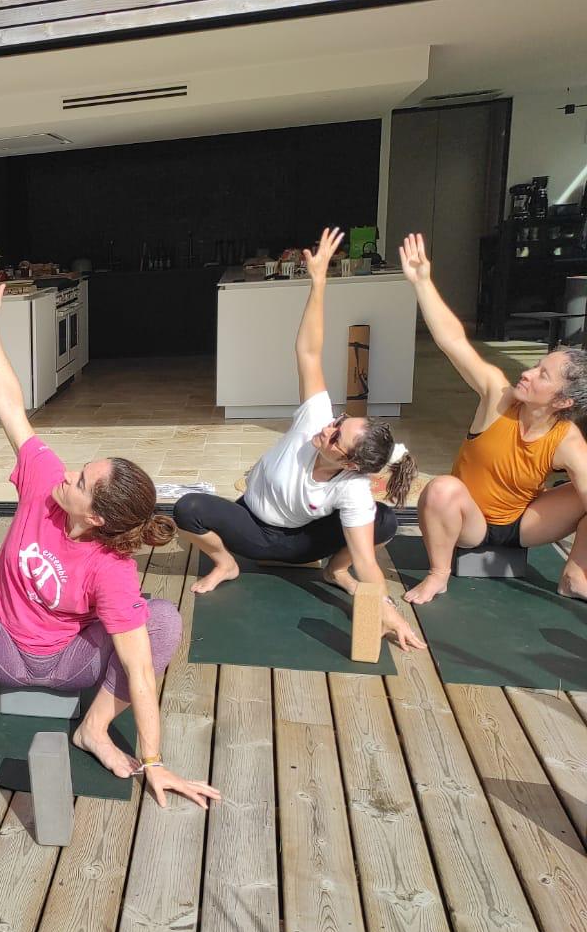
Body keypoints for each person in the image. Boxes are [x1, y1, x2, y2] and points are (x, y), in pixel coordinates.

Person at [0, 262, 218, 811]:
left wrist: (155, 761)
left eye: (78, 481)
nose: (67, 474)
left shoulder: (112, 568)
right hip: (3, 651)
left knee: (162, 621)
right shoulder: (42, 481)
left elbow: (142, 673)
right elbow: (10, 404)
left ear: (97, 517)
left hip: (72, 662)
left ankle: (94, 730)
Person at [171, 227, 425, 650]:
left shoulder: (353, 488)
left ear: (350, 464)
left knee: (383, 521)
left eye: (336, 435)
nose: (328, 427)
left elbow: (369, 561)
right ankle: (225, 564)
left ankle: (332, 572)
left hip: (303, 539)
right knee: (188, 508)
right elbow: (308, 351)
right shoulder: (315, 419)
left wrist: (387, 611)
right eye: (337, 420)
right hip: (252, 526)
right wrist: (319, 281)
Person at [397, 233, 587, 604]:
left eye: (542, 375)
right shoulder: (497, 396)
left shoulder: (568, 439)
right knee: (440, 489)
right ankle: (439, 575)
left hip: (525, 523)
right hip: (471, 523)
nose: (528, 374)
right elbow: (454, 342)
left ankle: (575, 576)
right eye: (535, 366)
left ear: (563, 401)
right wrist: (422, 282)